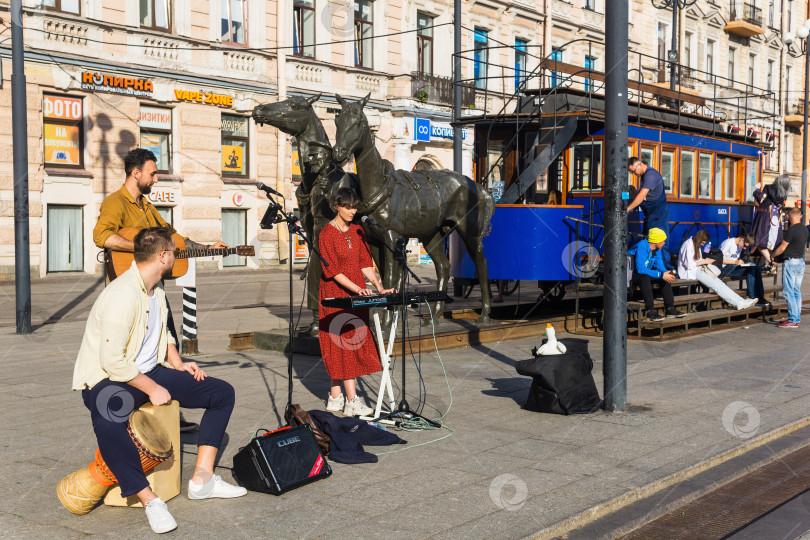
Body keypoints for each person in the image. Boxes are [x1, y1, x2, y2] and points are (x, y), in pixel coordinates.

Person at [72, 227, 246, 534]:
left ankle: (203, 479)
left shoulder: (156, 289)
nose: (177, 257)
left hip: (147, 371)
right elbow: (112, 362)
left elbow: (162, 331)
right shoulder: (122, 295)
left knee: (221, 393)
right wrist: (153, 388)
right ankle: (148, 498)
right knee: (108, 418)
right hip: (106, 380)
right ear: (163, 256)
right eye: (174, 252)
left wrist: (179, 363)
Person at [93, 148, 228, 432]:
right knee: (133, 351)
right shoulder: (116, 202)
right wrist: (143, 249)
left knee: (167, 347)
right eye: (152, 173)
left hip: (155, 290)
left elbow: (171, 237)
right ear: (136, 173)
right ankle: (137, 413)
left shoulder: (146, 206)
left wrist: (205, 249)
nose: (156, 179)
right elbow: (102, 236)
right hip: (130, 290)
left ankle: (169, 412)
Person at [318, 188, 395, 417]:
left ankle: (335, 397)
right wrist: (358, 288)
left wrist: (379, 287)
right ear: (336, 206)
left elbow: (365, 263)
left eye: (354, 207)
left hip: (356, 294)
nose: (352, 211)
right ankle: (352, 401)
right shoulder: (326, 234)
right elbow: (333, 271)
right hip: (336, 294)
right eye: (348, 207)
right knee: (341, 345)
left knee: (346, 343)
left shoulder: (358, 231)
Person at [677, 230, 758, 310]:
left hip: (698, 269)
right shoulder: (688, 245)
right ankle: (737, 303)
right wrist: (705, 261)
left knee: (721, 284)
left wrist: (705, 261)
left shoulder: (694, 243)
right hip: (692, 271)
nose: (702, 245)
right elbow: (688, 265)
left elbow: (697, 260)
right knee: (716, 286)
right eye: (702, 243)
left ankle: (741, 300)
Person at [627, 227, 684, 322]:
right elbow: (640, 269)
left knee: (664, 278)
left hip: (644, 272)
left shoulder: (657, 249)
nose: (664, 243)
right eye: (663, 241)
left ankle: (670, 309)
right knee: (645, 278)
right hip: (632, 273)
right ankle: (650, 311)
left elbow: (660, 265)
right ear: (656, 241)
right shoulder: (642, 245)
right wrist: (660, 274)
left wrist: (666, 273)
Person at [772, 207, 808, 328]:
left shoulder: (791, 231)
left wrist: (772, 255)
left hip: (791, 263)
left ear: (788, 217)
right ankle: (796, 318)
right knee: (796, 291)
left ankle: (793, 319)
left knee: (788, 292)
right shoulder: (804, 229)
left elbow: (782, 248)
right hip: (800, 262)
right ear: (800, 216)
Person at [751, 175, 791, 271]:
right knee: (771, 243)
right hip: (775, 219)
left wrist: (756, 190)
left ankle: (770, 262)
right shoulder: (784, 195)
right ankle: (770, 264)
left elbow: (761, 199)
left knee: (759, 242)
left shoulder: (768, 188)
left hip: (764, 218)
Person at [719, 233, 767, 306]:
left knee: (757, 268)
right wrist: (734, 262)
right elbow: (719, 259)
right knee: (750, 270)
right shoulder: (728, 243)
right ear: (742, 239)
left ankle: (760, 297)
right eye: (745, 246)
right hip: (724, 268)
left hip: (733, 267)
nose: (744, 248)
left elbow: (735, 258)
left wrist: (740, 262)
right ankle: (752, 297)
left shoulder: (740, 246)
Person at [627, 157, 669, 234]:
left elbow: (642, 196)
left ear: (639, 164)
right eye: (631, 172)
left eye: (633, 171)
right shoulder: (644, 175)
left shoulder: (651, 175)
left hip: (657, 214)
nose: (633, 174)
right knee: (647, 238)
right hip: (649, 214)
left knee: (657, 239)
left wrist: (628, 208)